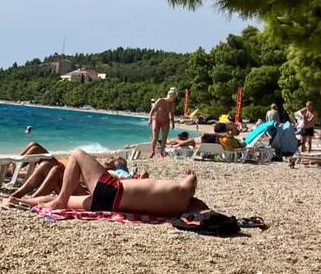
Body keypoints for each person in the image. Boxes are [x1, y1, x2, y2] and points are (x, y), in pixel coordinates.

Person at [23, 149, 199, 215]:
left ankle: (56, 200)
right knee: (70, 201)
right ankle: (20, 201)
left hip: (115, 190)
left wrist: (191, 177)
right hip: (112, 205)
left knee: (77, 154)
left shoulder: (182, 192)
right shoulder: (175, 207)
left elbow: (191, 181)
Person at [150, 88, 177, 157]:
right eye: (172, 96)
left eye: (174, 97)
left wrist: (173, 123)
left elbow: (172, 114)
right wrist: (150, 119)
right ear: (169, 95)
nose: (173, 98)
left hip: (166, 121)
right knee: (155, 137)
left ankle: (161, 153)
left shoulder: (172, 104)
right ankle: (152, 151)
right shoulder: (160, 100)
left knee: (164, 138)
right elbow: (153, 110)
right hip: (156, 120)